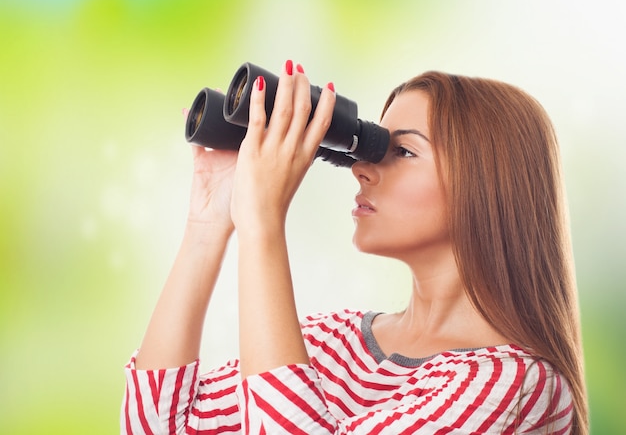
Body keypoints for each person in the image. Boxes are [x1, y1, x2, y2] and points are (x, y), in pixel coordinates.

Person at [121, 60, 588, 434]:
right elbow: (158, 426)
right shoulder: (331, 342)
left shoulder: (517, 386)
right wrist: (206, 227)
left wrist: (262, 223)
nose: (360, 170)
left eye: (402, 152)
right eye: (368, 149)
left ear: (488, 184)